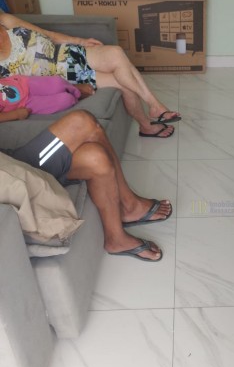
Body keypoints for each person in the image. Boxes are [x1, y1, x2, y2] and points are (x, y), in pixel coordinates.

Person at [4, 109, 173, 262]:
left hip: (10, 160)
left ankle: (116, 238)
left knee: (96, 158)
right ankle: (129, 205)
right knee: (82, 122)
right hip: (13, 174)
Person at [0, 10, 181, 138]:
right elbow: (12, 92)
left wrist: (80, 41)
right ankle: (147, 123)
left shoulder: (6, 20)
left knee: (116, 52)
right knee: (123, 82)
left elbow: (48, 34)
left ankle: (153, 105)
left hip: (66, 53)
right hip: (63, 75)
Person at [0, 74, 94, 122]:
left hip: (23, 83)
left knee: (58, 82)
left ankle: (74, 89)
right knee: (65, 100)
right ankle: (74, 96)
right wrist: (16, 114)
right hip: (24, 104)